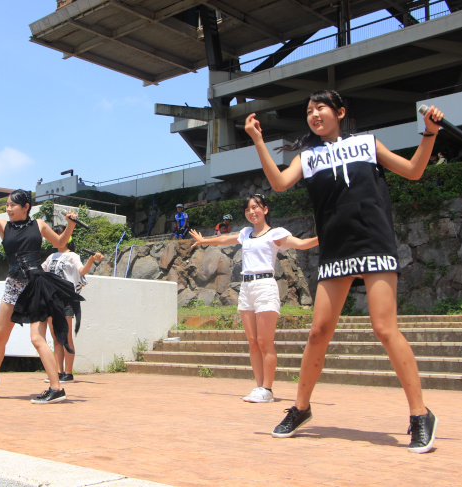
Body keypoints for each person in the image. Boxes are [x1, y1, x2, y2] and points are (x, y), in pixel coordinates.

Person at [245, 90, 444, 453]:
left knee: (385, 328)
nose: (314, 114)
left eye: (320, 107)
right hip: (335, 249)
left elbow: (414, 171)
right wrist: (258, 140)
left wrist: (428, 133)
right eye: (309, 110)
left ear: (340, 112)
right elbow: (278, 183)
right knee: (319, 331)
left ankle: (420, 414)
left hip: (375, 242)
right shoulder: (308, 156)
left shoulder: (368, 143)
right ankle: (301, 409)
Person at [0, 188, 80, 404]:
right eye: (7, 205)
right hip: (13, 286)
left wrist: (71, 225)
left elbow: (59, 242)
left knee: (37, 339)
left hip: (36, 285)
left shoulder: (39, 225)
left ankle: (56, 388)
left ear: (26, 207)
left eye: (12, 205)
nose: (8, 209)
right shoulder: (3, 226)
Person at [190, 195, 318, 403]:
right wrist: (205, 240)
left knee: (264, 342)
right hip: (246, 287)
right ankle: (259, 387)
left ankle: (267, 389)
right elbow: (225, 239)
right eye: (248, 209)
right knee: (252, 342)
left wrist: (326, 235)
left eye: (256, 207)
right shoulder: (246, 233)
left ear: (265, 210)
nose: (252, 212)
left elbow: (302, 244)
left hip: (265, 286)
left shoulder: (275, 234)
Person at [42, 226, 104, 383]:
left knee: (66, 338)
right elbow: (40, 272)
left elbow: (81, 271)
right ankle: (58, 372)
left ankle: (68, 373)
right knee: (56, 339)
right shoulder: (50, 257)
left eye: (59, 234)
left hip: (66, 299)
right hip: (51, 300)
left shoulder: (72, 256)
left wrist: (91, 259)